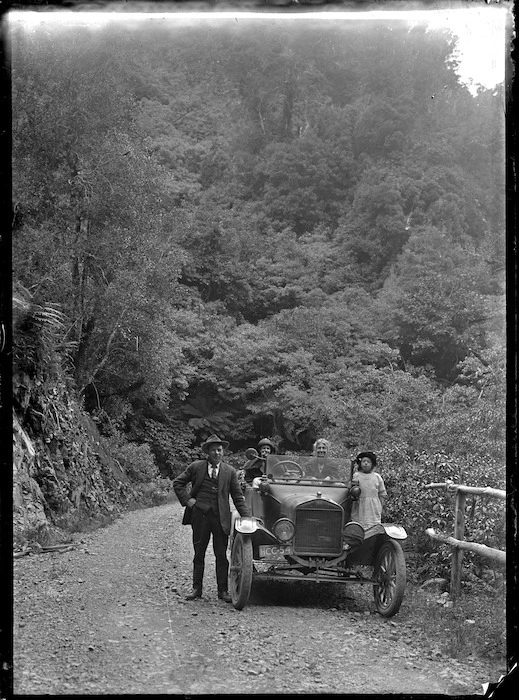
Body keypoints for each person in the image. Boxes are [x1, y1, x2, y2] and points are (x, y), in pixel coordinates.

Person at [173, 434, 251, 602]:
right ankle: (196, 589)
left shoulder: (230, 472)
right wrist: (188, 501)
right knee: (198, 553)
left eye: (220, 450)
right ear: (207, 452)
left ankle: (222, 591)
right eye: (214, 450)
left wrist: (247, 517)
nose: (217, 453)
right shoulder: (196, 467)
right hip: (199, 517)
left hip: (220, 518)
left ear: (223, 452)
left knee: (221, 556)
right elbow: (178, 483)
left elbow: (237, 497)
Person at [349, 451, 387, 529]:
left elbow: (382, 494)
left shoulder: (377, 477)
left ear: (372, 464)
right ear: (360, 463)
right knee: (358, 526)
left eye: (368, 462)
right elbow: (351, 489)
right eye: (364, 461)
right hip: (359, 507)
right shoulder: (356, 475)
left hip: (373, 508)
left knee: (373, 527)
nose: (366, 463)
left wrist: (381, 508)